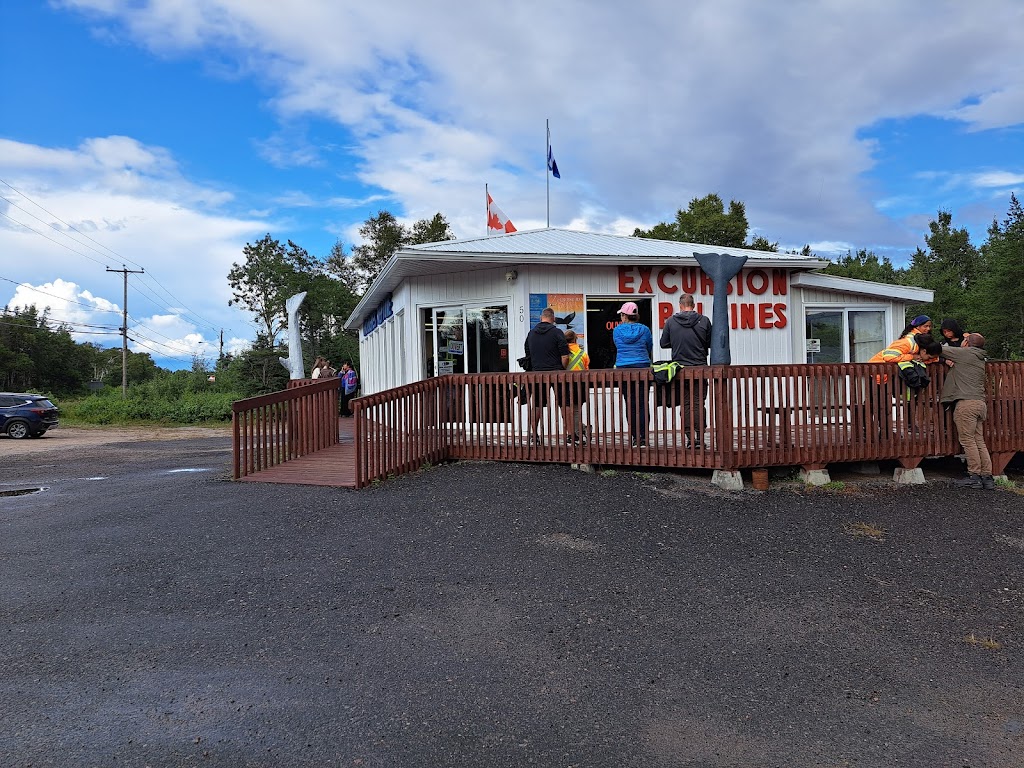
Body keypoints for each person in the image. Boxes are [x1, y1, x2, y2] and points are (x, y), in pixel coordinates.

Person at [940, 333, 994, 490]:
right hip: (979, 403)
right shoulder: (978, 356)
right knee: (979, 440)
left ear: (966, 343)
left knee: (968, 441)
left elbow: (938, 349)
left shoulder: (965, 353)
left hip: (966, 404)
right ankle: (987, 477)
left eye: (965, 339)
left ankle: (974, 476)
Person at [659, 293, 712, 448]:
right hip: (700, 368)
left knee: (686, 404)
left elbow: (664, 343)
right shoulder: (704, 321)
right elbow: (709, 342)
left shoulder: (671, 322)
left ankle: (690, 439)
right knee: (699, 403)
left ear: (680, 305)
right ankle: (700, 437)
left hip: (680, 370)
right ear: (693, 305)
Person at [867, 332, 942, 439]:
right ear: (924, 350)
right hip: (877, 375)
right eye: (928, 357)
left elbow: (931, 358)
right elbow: (889, 357)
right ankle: (879, 433)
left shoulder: (919, 350)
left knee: (882, 405)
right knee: (879, 404)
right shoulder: (907, 344)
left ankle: (885, 433)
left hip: (887, 376)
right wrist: (912, 357)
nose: (928, 360)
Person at [524, 307, 570, 443]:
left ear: (541, 318)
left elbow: (528, 355)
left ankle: (534, 434)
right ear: (553, 318)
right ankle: (570, 435)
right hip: (557, 373)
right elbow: (565, 356)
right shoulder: (557, 332)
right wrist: (561, 368)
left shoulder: (531, 334)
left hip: (537, 373)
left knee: (537, 404)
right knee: (564, 403)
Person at [612, 301, 653, 447]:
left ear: (624, 315)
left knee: (630, 404)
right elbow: (649, 346)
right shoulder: (645, 330)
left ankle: (635, 437)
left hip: (624, 369)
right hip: (642, 367)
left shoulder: (617, 331)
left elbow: (617, 345)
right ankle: (643, 437)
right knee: (642, 403)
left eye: (621, 315)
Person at [563, 330, 590, 445]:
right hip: (580, 383)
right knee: (576, 410)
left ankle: (578, 433)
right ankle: (582, 430)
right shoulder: (582, 353)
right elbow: (586, 367)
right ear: (575, 339)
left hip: (567, 383)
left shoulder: (564, 353)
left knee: (569, 410)